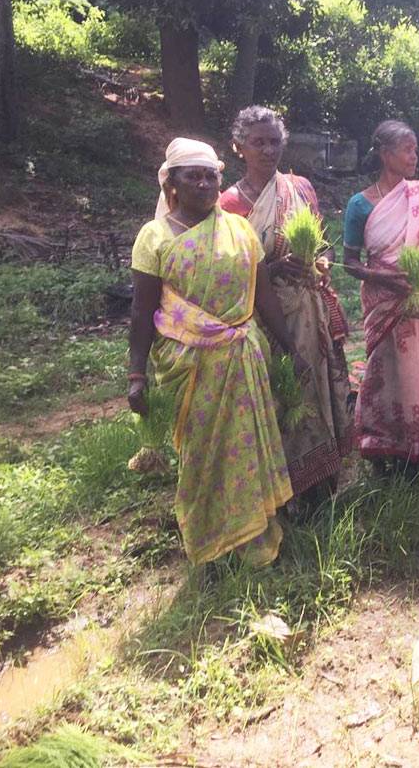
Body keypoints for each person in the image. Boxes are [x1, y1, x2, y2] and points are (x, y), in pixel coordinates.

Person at [128, 138, 307, 567]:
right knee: (201, 456)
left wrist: (289, 348)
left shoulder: (240, 230)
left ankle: (253, 535)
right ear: (172, 182)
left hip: (242, 359)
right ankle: (209, 538)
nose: (206, 184)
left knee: (246, 450)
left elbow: (264, 299)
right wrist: (136, 374)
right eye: (195, 175)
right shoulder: (153, 237)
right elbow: (142, 311)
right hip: (188, 364)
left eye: (212, 176)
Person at [219, 106, 352, 507]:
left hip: (309, 311)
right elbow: (229, 274)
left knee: (315, 393)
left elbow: (320, 243)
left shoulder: (300, 188)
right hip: (263, 317)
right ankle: (279, 494)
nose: (267, 150)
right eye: (257, 142)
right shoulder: (229, 204)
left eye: (274, 141)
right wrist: (273, 267)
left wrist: (319, 260)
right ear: (238, 147)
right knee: (278, 396)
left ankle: (320, 485)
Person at [342, 120, 419, 472]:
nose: (415, 155)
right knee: (385, 366)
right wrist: (387, 278)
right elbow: (349, 262)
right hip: (383, 299)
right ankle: (383, 440)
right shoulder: (359, 205)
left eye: (415, 148)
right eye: (408, 148)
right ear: (385, 153)